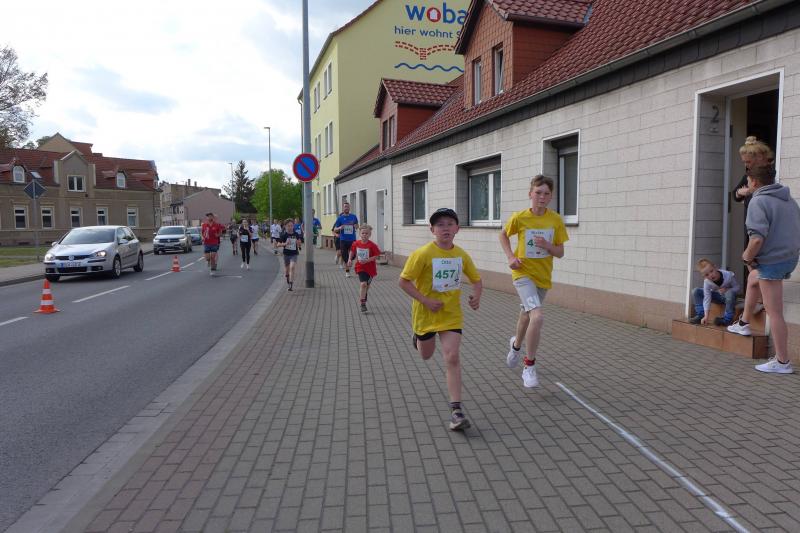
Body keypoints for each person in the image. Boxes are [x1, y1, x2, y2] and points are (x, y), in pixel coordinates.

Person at [399, 208, 482, 431]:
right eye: (440, 225)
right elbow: (403, 282)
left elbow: (477, 280)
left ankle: (456, 411)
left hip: (451, 315)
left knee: (452, 356)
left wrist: (476, 296)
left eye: (449, 224)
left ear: (457, 229)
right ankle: (418, 339)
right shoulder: (423, 254)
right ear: (432, 230)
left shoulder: (461, 255)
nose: (445, 228)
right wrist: (425, 300)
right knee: (426, 355)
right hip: (425, 314)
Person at [727, 164, 800, 373]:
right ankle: (744, 323)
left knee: (774, 312)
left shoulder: (758, 201)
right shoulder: (788, 200)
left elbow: (757, 239)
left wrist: (746, 257)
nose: (746, 184)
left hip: (772, 262)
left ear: (754, 182)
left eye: (748, 181)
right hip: (788, 258)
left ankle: (782, 362)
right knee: (753, 279)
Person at [499, 175, 568, 388]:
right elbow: (503, 235)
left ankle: (515, 345)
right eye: (538, 192)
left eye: (546, 193)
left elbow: (560, 252)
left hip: (542, 277)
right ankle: (529, 366)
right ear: (530, 194)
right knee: (537, 317)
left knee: (527, 315)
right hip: (522, 275)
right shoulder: (520, 217)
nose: (542, 197)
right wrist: (511, 257)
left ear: (551, 197)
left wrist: (548, 245)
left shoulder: (555, 220)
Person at [733, 137, 774, 316]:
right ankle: (758, 299)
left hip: (764, 224)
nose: (746, 165)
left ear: (759, 157)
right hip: (750, 222)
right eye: (744, 162)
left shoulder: (769, 173)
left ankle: (763, 301)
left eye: (748, 162)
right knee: (750, 261)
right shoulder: (748, 174)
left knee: (758, 260)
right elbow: (734, 194)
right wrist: (741, 192)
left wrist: (752, 190)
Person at [690, 259, 740, 326]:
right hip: (717, 297)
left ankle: (727, 319)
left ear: (715, 267)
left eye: (711, 271)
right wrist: (706, 316)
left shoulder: (728, 275)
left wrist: (727, 289)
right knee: (696, 291)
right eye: (707, 275)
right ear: (704, 277)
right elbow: (707, 298)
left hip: (729, 298)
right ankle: (701, 315)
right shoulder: (707, 282)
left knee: (729, 293)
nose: (711, 275)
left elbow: (737, 287)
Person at [347, 224, 381, 313]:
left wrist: (367, 260)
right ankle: (363, 304)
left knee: (366, 286)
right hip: (360, 267)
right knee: (363, 284)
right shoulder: (356, 243)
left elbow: (377, 256)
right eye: (363, 233)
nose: (364, 235)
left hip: (370, 269)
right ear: (360, 234)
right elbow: (352, 251)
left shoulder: (372, 245)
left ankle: (364, 296)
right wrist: (349, 259)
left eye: (366, 233)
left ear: (369, 234)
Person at [333, 202, 359, 278]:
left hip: (352, 240)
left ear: (349, 208)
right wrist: (340, 228)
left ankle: (349, 264)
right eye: (345, 207)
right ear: (343, 208)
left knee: (353, 256)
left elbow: (357, 226)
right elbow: (335, 229)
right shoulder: (340, 218)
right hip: (343, 240)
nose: (346, 208)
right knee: (345, 257)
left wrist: (356, 226)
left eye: (347, 207)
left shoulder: (353, 217)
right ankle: (347, 271)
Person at [276, 218, 302, 291]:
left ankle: (291, 284)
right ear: (285, 226)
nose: (290, 227)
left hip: (294, 254)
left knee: (292, 267)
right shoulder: (284, 235)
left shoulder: (296, 234)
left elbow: (299, 244)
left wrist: (298, 243)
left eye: (291, 226)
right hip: (286, 254)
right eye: (288, 226)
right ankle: (287, 276)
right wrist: (285, 244)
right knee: (287, 270)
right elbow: (278, 244)